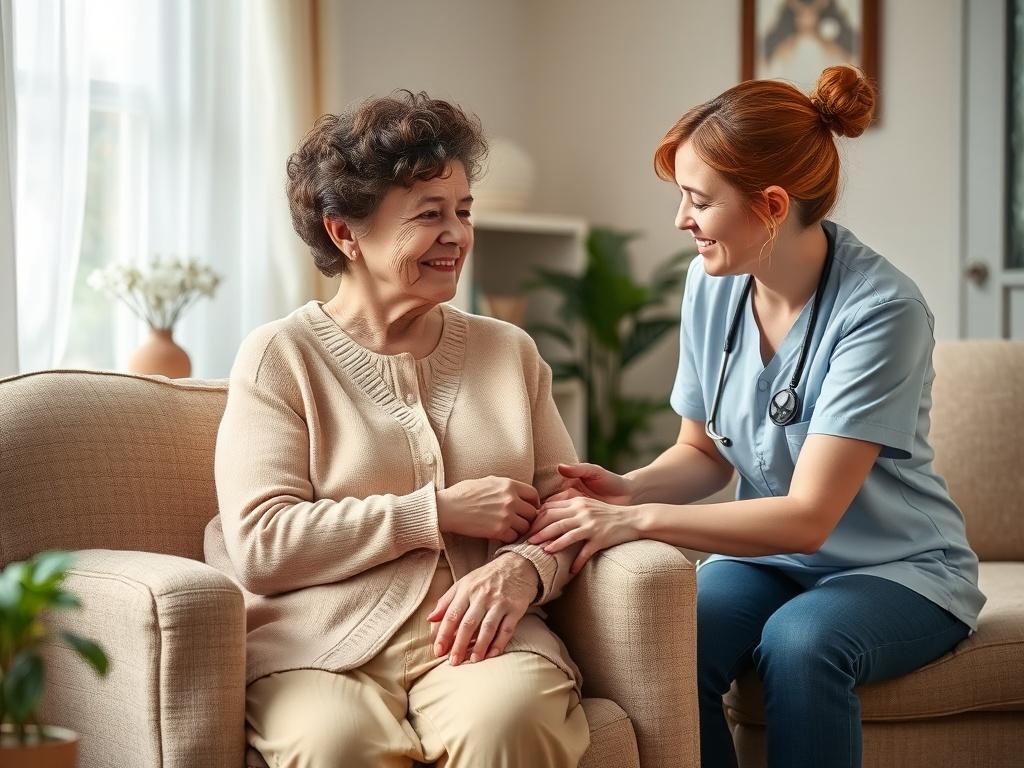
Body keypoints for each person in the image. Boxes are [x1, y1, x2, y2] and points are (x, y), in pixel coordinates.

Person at [527, 65, 985, 768]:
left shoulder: (881, 312)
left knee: (801, 642)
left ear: (772, 204)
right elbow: (704, 454)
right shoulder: (711, 282)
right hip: (772, 558)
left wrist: (636, 521)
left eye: (697, 201)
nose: (681, 221)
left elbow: (807, 516)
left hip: (900, 571)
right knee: (679, 634)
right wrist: (630, 487)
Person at [204, 91, 589, 768]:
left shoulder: (509, 353)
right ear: (343, 232)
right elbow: (263, 543)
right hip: (318, 649)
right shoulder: (281, 356)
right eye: (429, 215)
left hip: (481, 640)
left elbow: (569, 509)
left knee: (510, 720)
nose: (458, 235)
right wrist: (433, 513)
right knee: (335, 743)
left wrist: (524, 572)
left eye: (463, 213)